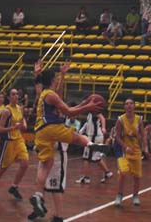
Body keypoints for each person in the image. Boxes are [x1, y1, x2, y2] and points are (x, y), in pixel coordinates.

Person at [28, 62, 106, 220]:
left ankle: (38, 200)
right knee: (56, 186)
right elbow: (69, 111)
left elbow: (44, 89)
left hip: (41, 136)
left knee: (42, 172)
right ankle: (57, 215)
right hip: (55, 141)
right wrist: (87, 106)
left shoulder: (44, 96)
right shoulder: (54, 101)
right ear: (52, 80)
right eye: (56, 79)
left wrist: (40, 74)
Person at [0, 89, 29, 200]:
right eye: (13, 94)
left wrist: (24, 125)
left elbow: (22, 119)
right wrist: (12, 128)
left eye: (17, 94)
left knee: (25, 163)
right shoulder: (6, 111)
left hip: (18, 140)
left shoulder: (20, 108)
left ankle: (14, 186)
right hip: (8, 141)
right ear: (9, 97)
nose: (16, 96)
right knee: (3, 167)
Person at [114, 98, 150, 207]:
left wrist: (146, 148)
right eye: (126, 104)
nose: (129, 105)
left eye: (131, 103)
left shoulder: (139, 119)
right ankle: (119, 196)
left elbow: (143, 134)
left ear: (134, 106)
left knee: (137, 176)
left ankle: (135, 196)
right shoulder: (120, 120)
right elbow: (117, 137)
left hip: (136, 150)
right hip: (124, 151)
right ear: (124, 107)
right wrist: (125, 147)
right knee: (123, 173)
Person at [76, 112, 113, 184]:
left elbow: (102, 118)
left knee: (86, 158)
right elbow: (87, 124)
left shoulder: (95, 110)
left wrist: (103, 127)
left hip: (94, 137)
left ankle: (86, 178)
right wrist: (81, 131)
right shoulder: (89, 113)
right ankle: (107, 173)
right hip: (96, 137)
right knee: (96, 157)